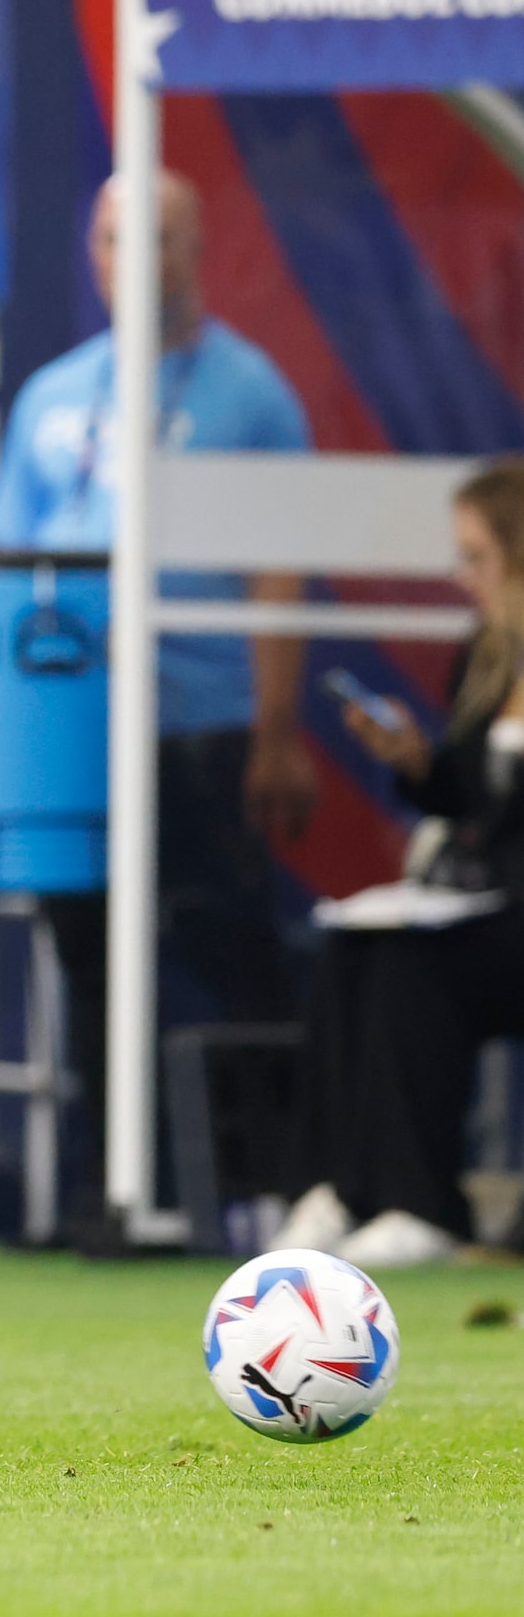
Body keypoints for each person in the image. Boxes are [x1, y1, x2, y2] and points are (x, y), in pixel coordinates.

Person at [0, 172, 317, 1242]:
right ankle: (109, 1191)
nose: (135, 260)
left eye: (158, 238)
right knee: (88, 960)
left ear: (195, 249)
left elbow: (279, 570)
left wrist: (274, 728)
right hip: (79, 728)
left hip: (206, 721)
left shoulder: (249, 392)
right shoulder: (54, 396)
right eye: (116, 238)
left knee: (231, 952)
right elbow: (8, 566)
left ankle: (278, 1195)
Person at [281, 463, 524, 1267]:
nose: (464, 578)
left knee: (414, 966)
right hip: (487, 904)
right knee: (357, 948)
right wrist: (415, 762)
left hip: (508, 919)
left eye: (475, 557)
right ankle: (339, 1189)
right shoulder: (485, 656)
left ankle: (423, 1204)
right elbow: (467, 803)